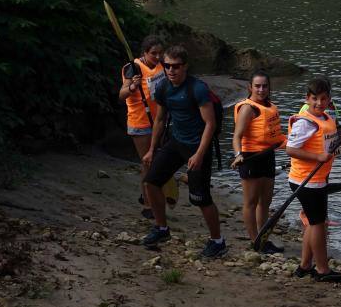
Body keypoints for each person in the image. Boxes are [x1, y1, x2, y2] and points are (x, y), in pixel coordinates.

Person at [141, 45, 226, 258]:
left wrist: (198, 154)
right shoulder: (163, 88)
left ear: (185, 66)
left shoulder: (197, 89)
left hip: (198, 147)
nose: (171, 70)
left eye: (175, 66)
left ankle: (218, 241)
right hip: (176, 142)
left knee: (200, 198)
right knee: (151, 181)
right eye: (167, 66)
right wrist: (152, 149)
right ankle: (161, 228)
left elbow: (210, 124)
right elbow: (160, 120)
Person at [285, 77, 341, 283]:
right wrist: (318, 157)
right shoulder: (305, 122)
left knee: (313, 224)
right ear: (307, 99)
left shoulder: (327, 119)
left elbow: (328, 147)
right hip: (306, 181)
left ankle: (305, 265)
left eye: (323, 99)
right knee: (319, 224)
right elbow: (291, 149)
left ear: (329, 100)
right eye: (314, 99)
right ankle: (322, 270)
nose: (318, 104)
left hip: (318, 179)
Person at [230, 70, 285, 254]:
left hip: (268, 156)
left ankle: (263, 238)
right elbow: (236, 137)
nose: (261, 90)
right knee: (251, 202)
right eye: (257, 86)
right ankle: (255, 241)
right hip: (250, 158)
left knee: (265, 201)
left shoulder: (270, 106)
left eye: (265, 86)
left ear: (269, 87)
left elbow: (277, 137)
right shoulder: (248, 108)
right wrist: (238, 155)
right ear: (250, 87)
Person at [118, 35, 165, 220]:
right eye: (154, 53)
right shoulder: (132, 68)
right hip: (140, 123)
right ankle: (148, 204)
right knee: (148, 163)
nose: (158, 56)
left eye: (160, 53)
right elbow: (122, 95)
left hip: (158, 122)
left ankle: (148, 194)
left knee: (157, 162)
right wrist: (132, 87)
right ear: (144, 53)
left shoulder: (161, 66)